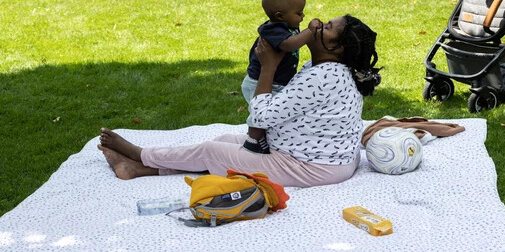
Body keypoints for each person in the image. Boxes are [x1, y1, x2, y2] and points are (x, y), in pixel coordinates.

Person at [98, 15, 382, 188]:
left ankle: (140, 155)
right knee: (224, 140)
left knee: (212, 151)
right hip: (323, 158)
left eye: (328, 27)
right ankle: (138, 169)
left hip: (311, 166)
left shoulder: (324, 76)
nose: (317, 23)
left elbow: (263, 117)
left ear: (336, 47)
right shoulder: (324, 69)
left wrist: (268, 67)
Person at [242, 0, 320, 154]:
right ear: (280, 15)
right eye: (299, 13)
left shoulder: (287, 24)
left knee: (277, 113)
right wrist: (310, 30)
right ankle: (253, 139)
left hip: (278, 81)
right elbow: (290, 44)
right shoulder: (273, 29)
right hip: (258, 82)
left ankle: (266, 137)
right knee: (261, 113)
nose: (303, 16)